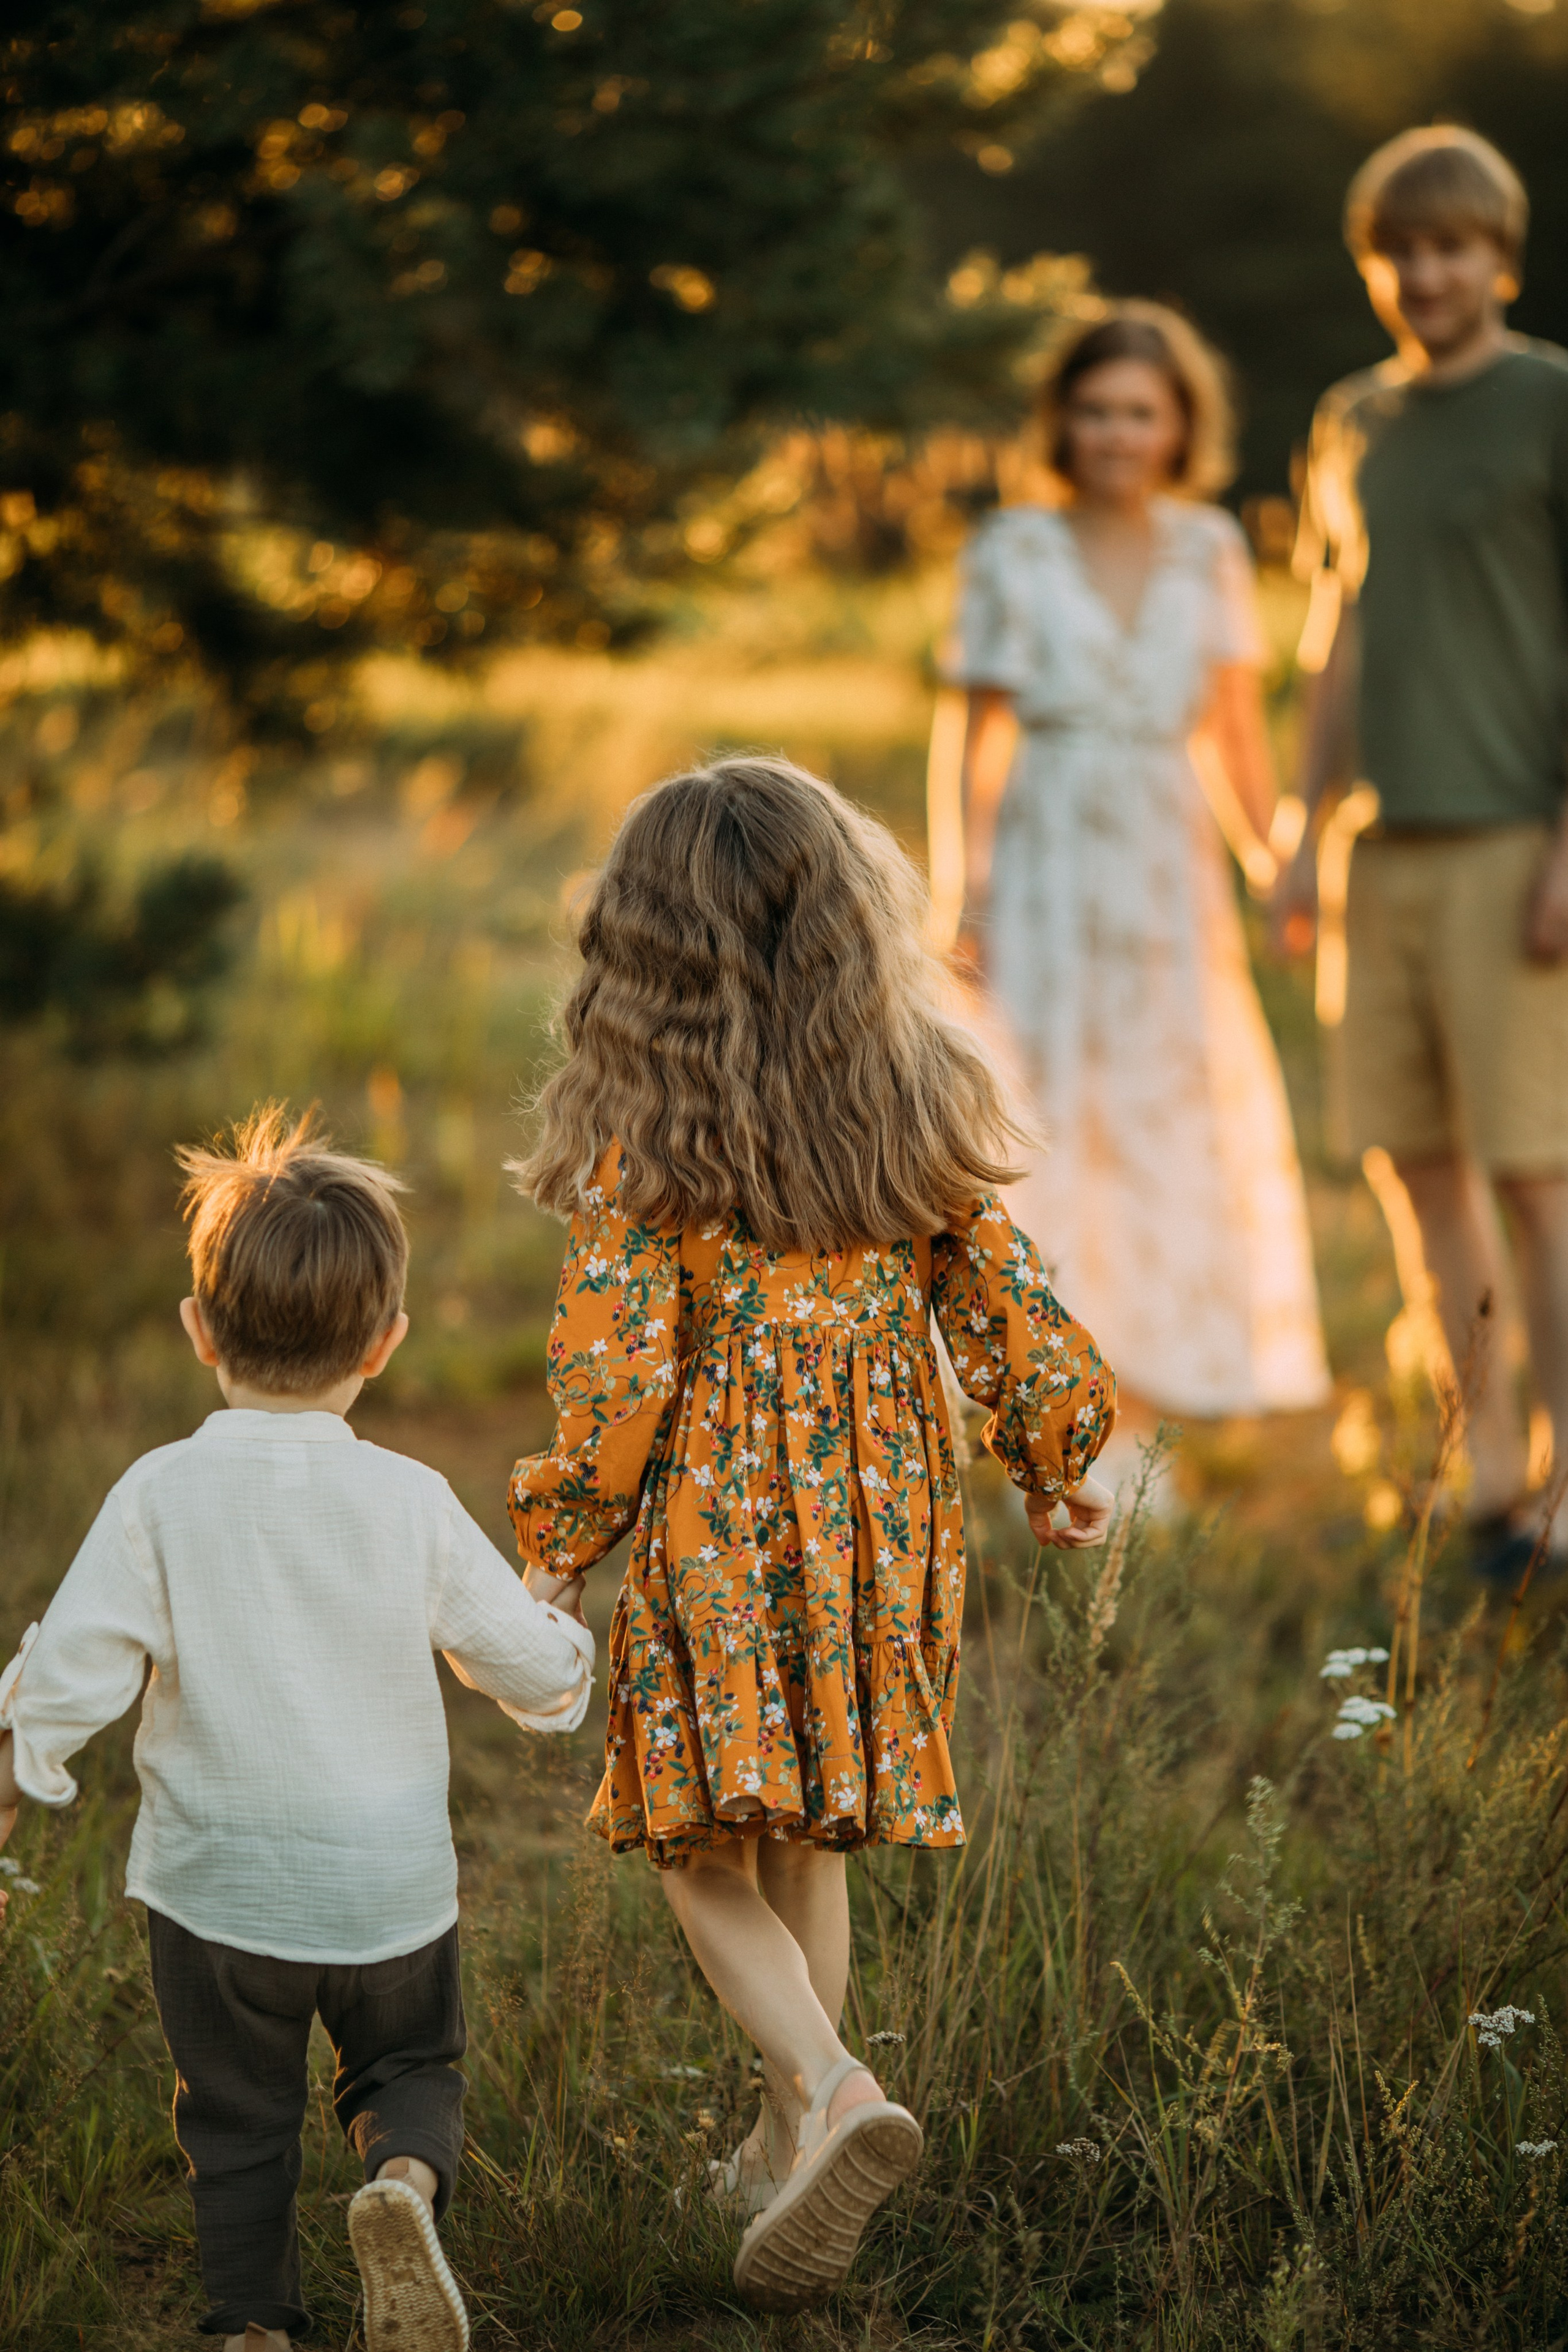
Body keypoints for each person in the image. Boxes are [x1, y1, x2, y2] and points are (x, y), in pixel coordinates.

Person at [507, 756, 1116, 2312]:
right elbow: (1003, 1288)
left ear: (639, 958)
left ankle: (829, 2087)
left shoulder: (652, 1137)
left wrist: (565, 1532)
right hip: (880, 1525)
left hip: (723, 1523)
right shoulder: (912, 1091)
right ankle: (787, 2143)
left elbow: (616, 1371)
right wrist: (1054, 1456)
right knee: (801, 1833)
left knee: (693, 1839)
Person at [0, 1108, 594, 2352]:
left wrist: (22, 1759)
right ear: (386, 1344)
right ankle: (401, 2185)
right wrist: (557, 1634)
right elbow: (530, 1676)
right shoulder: (411, 1501)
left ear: (198, 1329)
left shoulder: (159, 1493)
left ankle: (250, 2323)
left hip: (216, 1892)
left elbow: (74, 1667)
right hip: (387, 1889)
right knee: (406, 2071)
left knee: (237, 2117)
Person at [948, 303, 1330, 1436]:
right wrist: (965, 894)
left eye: (1141, 415)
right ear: (1064, 420)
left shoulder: (1210, 546)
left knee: (1167, 1099)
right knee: (1048, 1108)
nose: (1118, 435)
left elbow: (1233, 734)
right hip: (1046, 855)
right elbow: (972, 734)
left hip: (1168, 864)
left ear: (1180, 426)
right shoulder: (1009, 546)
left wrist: (1275, 864)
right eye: (1098, 411)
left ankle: (1156, 1378)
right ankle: (1047, 1389)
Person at [1278, 127, 1568, 1580]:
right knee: (1417, 1173)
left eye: (1448, 245)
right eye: (1397, 249)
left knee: (1535, 1179)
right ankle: (1490, 1479)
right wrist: (1289, 832)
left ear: (1495, 255)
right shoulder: (1348, 419)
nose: (1422, 273)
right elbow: (1333, 637)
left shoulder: (1548, 404)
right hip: (1368, 856)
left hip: (1516, 849)